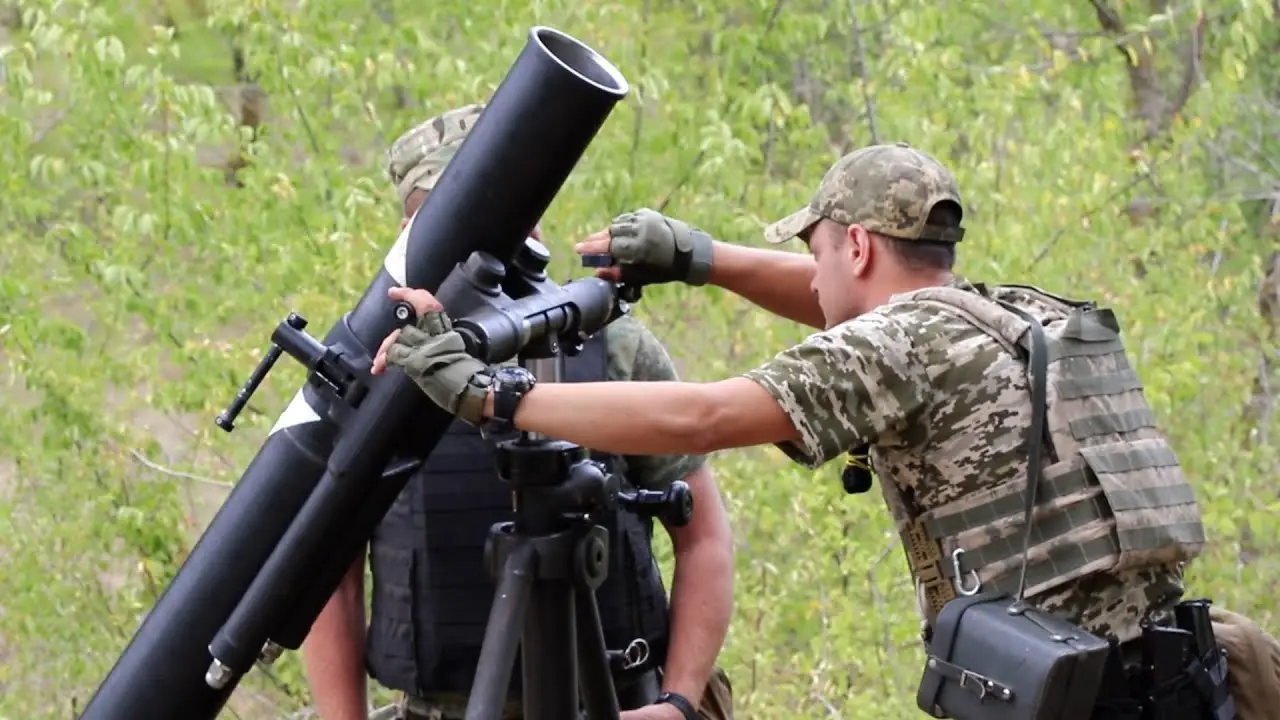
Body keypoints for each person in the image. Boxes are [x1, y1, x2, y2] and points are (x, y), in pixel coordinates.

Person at [372, 141, 1273, 718]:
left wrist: (494, 395)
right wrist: (699, 259)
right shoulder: (1006, 313)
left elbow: (706, 413)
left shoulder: (892, 347)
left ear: (857, 248)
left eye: (816, 247)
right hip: (1185, 677)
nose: (811, 270)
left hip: (1085, 702)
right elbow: (845, 307)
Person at [301, 104, 737, 720]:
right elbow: (330, 579)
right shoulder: (369, 363)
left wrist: (681, 700)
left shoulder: (607, 343)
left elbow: (703, 536)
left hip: (617, 699)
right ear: (410, 233)